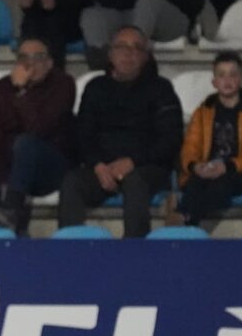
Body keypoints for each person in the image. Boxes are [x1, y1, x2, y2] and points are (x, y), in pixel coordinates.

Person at [58, 26, 182, 238]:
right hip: (102, 168)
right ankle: (69, 251)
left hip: (146, 167)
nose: (129, 53)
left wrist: (132, 161)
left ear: (145, 56)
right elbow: (83, 134)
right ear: (110, 54)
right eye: (122, 47)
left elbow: (170, 139)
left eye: (136, 48)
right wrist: (98, 166)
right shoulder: (95, 87)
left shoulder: (161, 89)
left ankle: (134, 254)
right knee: (72, 182)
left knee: (135, 182)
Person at [0, 36, 76, 236]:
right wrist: (3, 180)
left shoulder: (63, 85)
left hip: (50, 168)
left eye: (38, 57)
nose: (30, 63)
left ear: (49, 62)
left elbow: (39, 128)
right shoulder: (0, 88)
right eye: (24, 57)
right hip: (9, 171)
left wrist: (21, 92)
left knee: (25, 143)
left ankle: (12, 210)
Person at [176, 51, 242, 227]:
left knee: (220, 184)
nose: (227, 80)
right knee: (195, 182)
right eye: (221, 75)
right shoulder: (203, 111)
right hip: (207, 170)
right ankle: (189, 225)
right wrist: (195, 165)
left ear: (241, 79)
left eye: (233, 75)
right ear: (214, 82)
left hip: (238, 172)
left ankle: (183, 219)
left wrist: (227, 166)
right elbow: (190, 147)